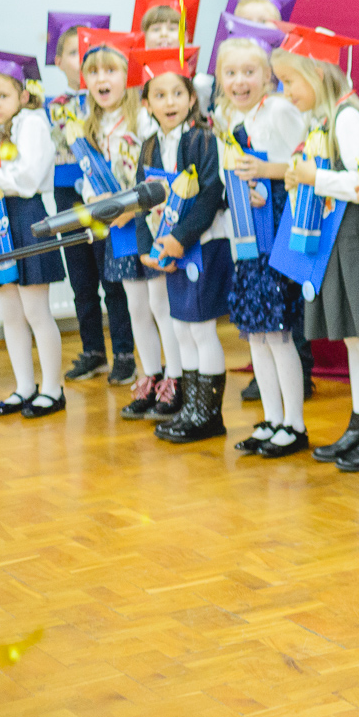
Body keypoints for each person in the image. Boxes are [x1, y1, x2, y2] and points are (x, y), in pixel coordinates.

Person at [273, 27, 359, 473]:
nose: (286, 92)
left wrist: (316, 178)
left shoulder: (348, 118)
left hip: (354, 237)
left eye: (290, 81)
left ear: (318, 74)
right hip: (335, 236)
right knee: (353, 338)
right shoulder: (325, 120)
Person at [70, 29, 184, 424]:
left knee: (160, 304)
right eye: (93, 72)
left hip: (148, 222)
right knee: (136, 305)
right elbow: (87, 179)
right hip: (117, 228)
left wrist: (129, 206)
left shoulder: (144, 120)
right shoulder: (88, 126)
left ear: (129, 76)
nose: (102, 79)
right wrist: (98, 203)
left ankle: (175, 378)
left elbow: (157, 174)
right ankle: (150, 376)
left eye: (111, 70)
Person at [214, 32, 310, 458]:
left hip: (276, 238)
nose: (240, 81)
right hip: (248, 240)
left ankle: (295, 423)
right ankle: (271, 418)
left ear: (267, 76)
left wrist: (265, 174)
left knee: (279, 334)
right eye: (231, 72)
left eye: (249, 71)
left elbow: (303, 165)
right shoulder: (233, 121)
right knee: (257, 336)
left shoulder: (280, 111)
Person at [131, 48, 233, 445]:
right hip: (169, 248)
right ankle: (190, 408)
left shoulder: (203, 140)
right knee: (181, 328)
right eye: (160, 95)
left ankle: (209, 414)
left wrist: (178, 239)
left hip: (201, 244)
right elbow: (142, 199)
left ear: (192, 99)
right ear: (147, 103)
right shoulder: (149, 146)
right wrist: (148, 247)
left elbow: (210, 195)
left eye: (177, 93)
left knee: (202, 329)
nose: (169, 102)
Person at [0, 47, 67, 419]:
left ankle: (53, 389)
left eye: (3, 95)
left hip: (27, 219)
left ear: (23, 95)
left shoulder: (33, 124)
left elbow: (27, 177)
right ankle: (25, 386)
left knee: (36, 311)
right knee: (9, 310)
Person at [45, 12, 137, 387]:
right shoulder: (54, 104)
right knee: (82, 277)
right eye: (72, 53)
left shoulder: (111, 104)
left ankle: (125, 353)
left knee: (112, 276)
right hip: (70, 193)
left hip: (106, 192)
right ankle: (93, 350)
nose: (79, 62)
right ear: (58, 61)